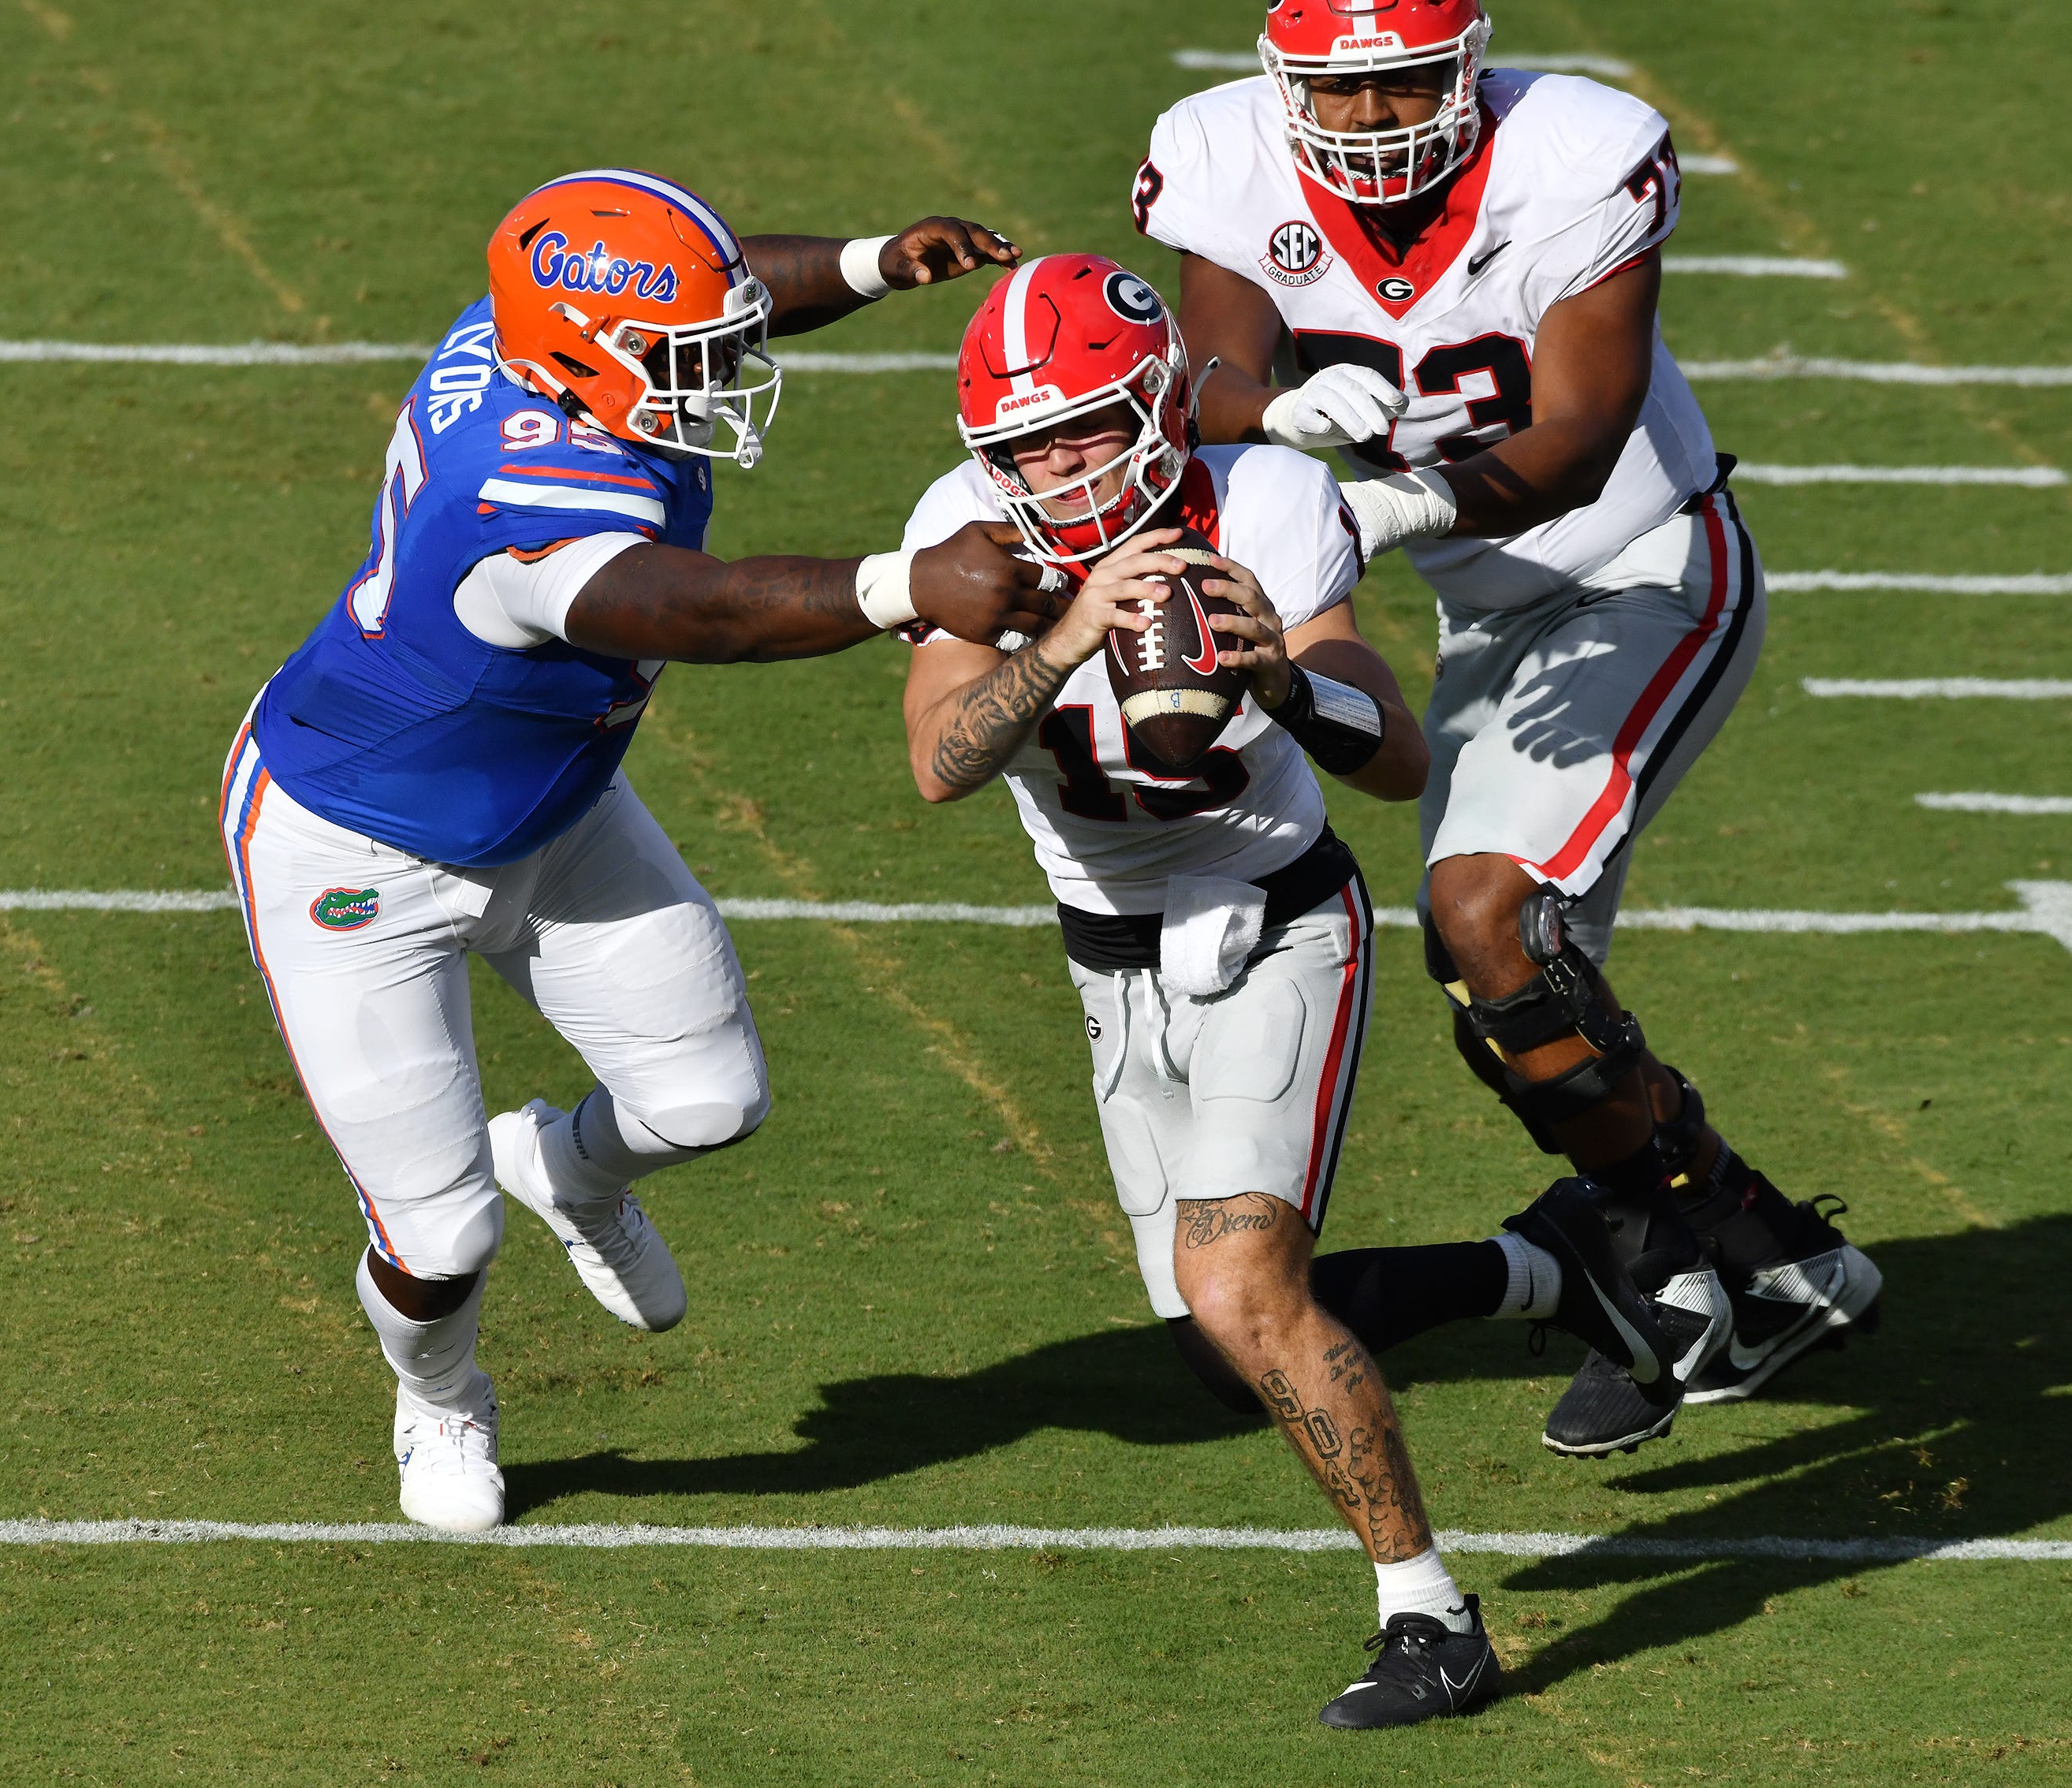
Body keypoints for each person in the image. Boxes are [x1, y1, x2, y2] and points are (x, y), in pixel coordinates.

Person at [897, 251, 1682, 1730]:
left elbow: (1395, 755)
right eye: (1020, 443)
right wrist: (1060, 631)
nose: (1049, 470)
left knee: (1236, 1288)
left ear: (1151, 410)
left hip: (1273, 923)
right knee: (1218, 1347)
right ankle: (1555, 1269)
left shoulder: (1260, 500)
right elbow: (940, 762)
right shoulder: (965, 529)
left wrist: (1280, 683)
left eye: (1077, 430)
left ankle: (1432, 1620)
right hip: (1108, 949)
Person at [222, 168, 1056, 1533]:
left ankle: (568, 1167)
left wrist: (865, 263)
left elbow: (721, 296)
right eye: (684, 360)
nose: (717, 374)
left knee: (710, 1099)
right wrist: (908, 583)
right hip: (354, 851)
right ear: (583, 359)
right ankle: (438, 1401)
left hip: (552, 807)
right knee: (441, 1239)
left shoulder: (528, 335)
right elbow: (706, 613)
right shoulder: (526, 497)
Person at [1133, 2, 1880, 1453]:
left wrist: (1395, 501)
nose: (1364, 125)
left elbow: (1584, 429)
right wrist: (1274, 416)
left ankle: (1662, 1269)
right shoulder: (1226, 158)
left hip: (1645, 566)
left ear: (1467, 68)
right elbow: (1205, 379)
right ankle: (1757, 1257)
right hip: (1488, 613)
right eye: (1335, 96)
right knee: (1510, 994)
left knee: (1494, 919)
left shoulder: (1576, 156)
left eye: (1399, 85)